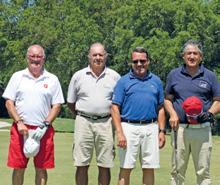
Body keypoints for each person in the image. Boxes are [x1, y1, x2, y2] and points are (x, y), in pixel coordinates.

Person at [2, 44, 64, 185]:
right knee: (18, 167)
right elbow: (9, 103)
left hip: (43, 129)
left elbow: (57, 105)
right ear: (27, 58)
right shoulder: (17, 76)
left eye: (39, 56)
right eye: (32, 56)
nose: (35, 59)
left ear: (44, 59)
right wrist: (19, 122)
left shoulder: (52, 79)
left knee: (41, 168)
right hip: (20, 129)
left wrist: (45, 124)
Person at [164, 40, 220, 185]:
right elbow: (167, 99)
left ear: (200, 57)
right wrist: (173, 114)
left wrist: (210, 113)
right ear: (183, 56)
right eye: (189, 53)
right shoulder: (174, 74)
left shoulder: (210, 76)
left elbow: (218, 100)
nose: (192, 56)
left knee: (203, 171)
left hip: (202, 129)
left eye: (195, 53)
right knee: (177, 171)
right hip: (180, 130)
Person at [67, 42, 120, 185]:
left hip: (106, 123)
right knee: (81, 163)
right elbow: (71, 102)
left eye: (101, 55)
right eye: (94, 55)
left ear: (106, 56)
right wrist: (84, 114)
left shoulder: (115, 77)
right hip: (83, 122)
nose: (98, 58)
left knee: (105, 163)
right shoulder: (78, 76)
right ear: (89, 57)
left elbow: (119, 104)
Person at [111, 46, 166, 185]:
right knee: (126, 167)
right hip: (128, 127)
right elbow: (115, 107)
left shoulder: (156, 81)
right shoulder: (123, 81)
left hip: (151, 127)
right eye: (136, 61)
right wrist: (120, 133)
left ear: (148, 61)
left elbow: (160, 108)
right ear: (131, 62)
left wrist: (162, 131)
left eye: (142, 61)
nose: (139, 64)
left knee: (149, 167)